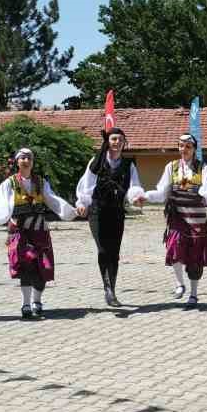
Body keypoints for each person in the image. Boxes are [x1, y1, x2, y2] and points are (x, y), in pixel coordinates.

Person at [0, 148, 77, 319]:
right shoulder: (9, 183)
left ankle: (37, 301)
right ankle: (25, 304)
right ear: (17, 162)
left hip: (39, 231)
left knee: (42, 267)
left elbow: (53, 200)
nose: (25, 160)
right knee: (25, 266)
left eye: (29, 158)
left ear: (32, 162)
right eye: (22, 158)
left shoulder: (41, 182)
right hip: (19, 232)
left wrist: (72, 212)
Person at [143, 134, 207, 307]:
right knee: (173, 248)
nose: (184, 149)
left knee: (195, 259)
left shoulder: (203, 168)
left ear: (194, 149)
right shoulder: (172, 167)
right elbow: (162, 191)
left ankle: (193, 295)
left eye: (188, 146)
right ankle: (179, 284)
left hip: (197, 219)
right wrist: (145, 197)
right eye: (181, 146)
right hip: (178, 217)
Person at [75, 128, 146, 307]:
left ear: (124, 143)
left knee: (114, 252)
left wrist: (136, 197)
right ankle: (107, 288)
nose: (117, 142)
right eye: (114, 139)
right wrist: (83, 202)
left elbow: (134, 186)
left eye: (120, 139)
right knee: (103, 249)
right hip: (97, 211)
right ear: (108, 141)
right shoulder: (96, 161)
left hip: (116, 212)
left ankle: (111, 289)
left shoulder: (128, 165)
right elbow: (86, 185)